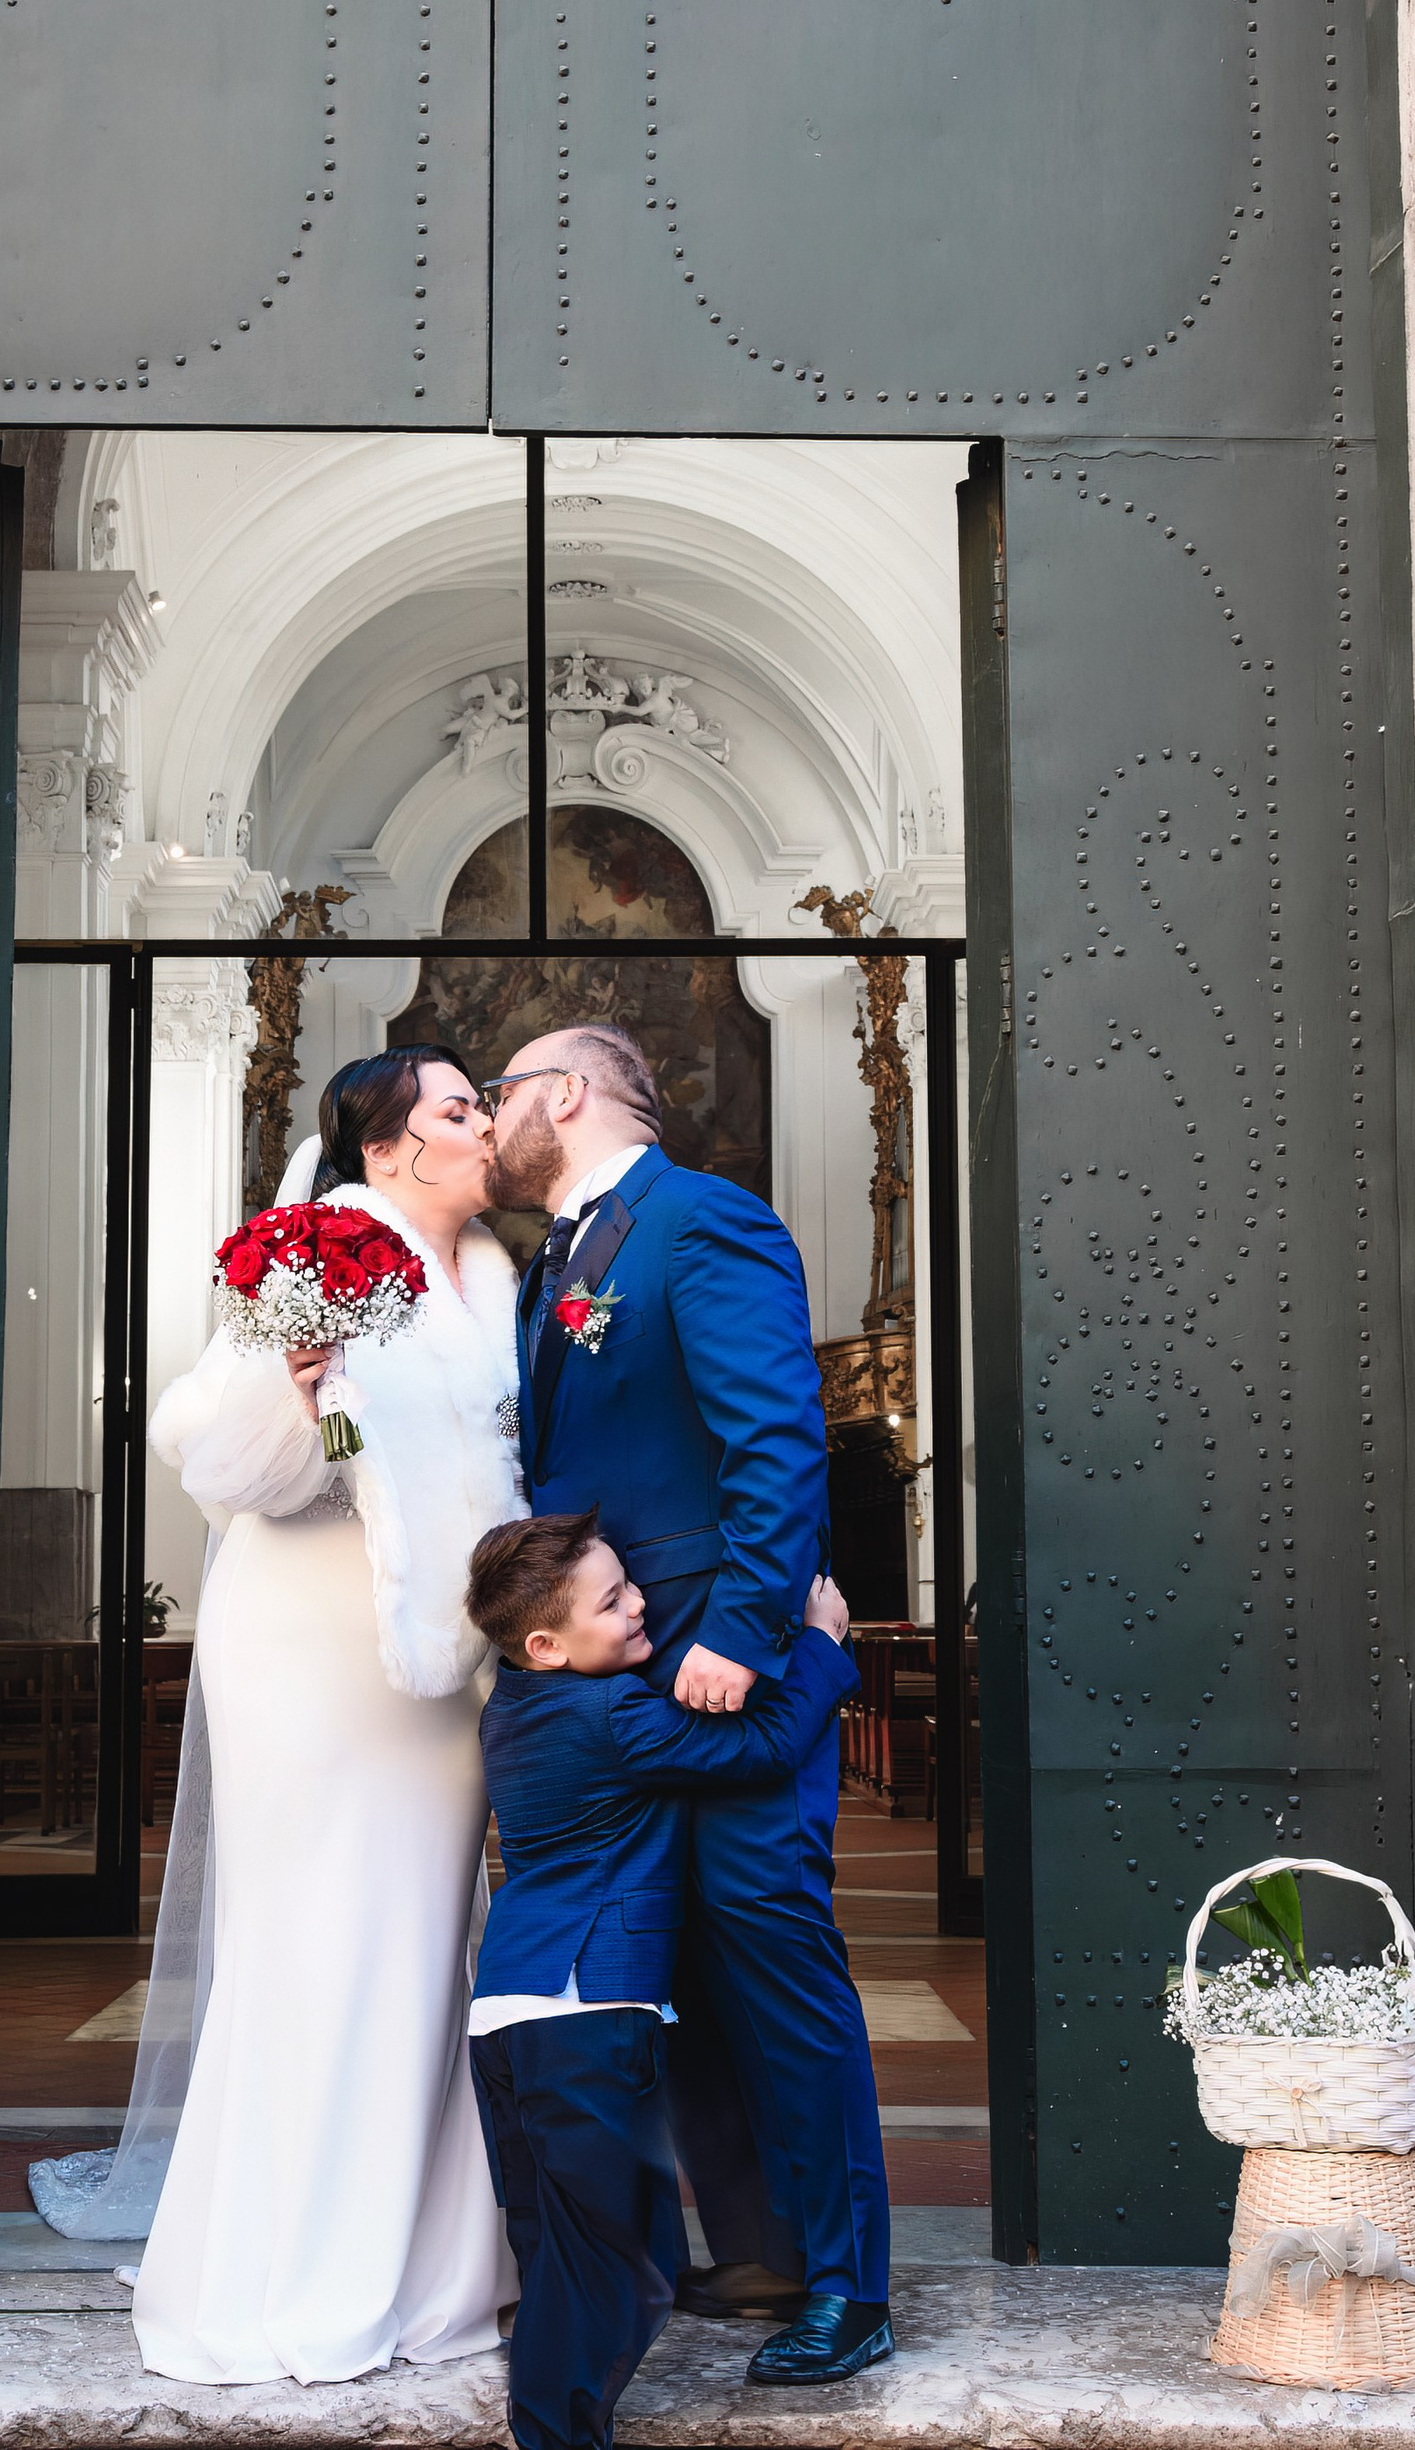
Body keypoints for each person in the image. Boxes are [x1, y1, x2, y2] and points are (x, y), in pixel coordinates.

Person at [488, 1022, 892, 2386]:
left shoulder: (701, 1220)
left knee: (776, 1963)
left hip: (717, 1661)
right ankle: (763, 2249)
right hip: (620, 1666)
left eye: (504, 1092)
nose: (492, 1115)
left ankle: (848, 2285)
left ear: (567, 1094)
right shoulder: (554, 1260)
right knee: (685, 1976)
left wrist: (744, 1628)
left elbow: (774, 1437)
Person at [114, 1046, 524, 2384]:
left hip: (443, 1662)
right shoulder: (325, 1248)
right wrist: (298, 1396)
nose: (486, 1126)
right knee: (320, 1937)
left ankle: (431, 2262)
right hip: (312, 1642)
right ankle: (293, 2264)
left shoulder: (496, 1276)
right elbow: (217, 1455)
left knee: (423, 1940)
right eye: (460, 1110)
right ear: (390, 1146)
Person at [465, 1513, 858, 2450]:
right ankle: (556, 2437)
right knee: (619, 2260)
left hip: (507, 2015)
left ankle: (552, 2422)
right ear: (546, 1645)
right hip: (587, 2012)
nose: (641, 1602)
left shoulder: (509, 1708)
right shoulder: (615, 1715)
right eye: (613, 1600)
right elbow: (764, 1749)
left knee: (552, 2245)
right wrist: (821, 1646)